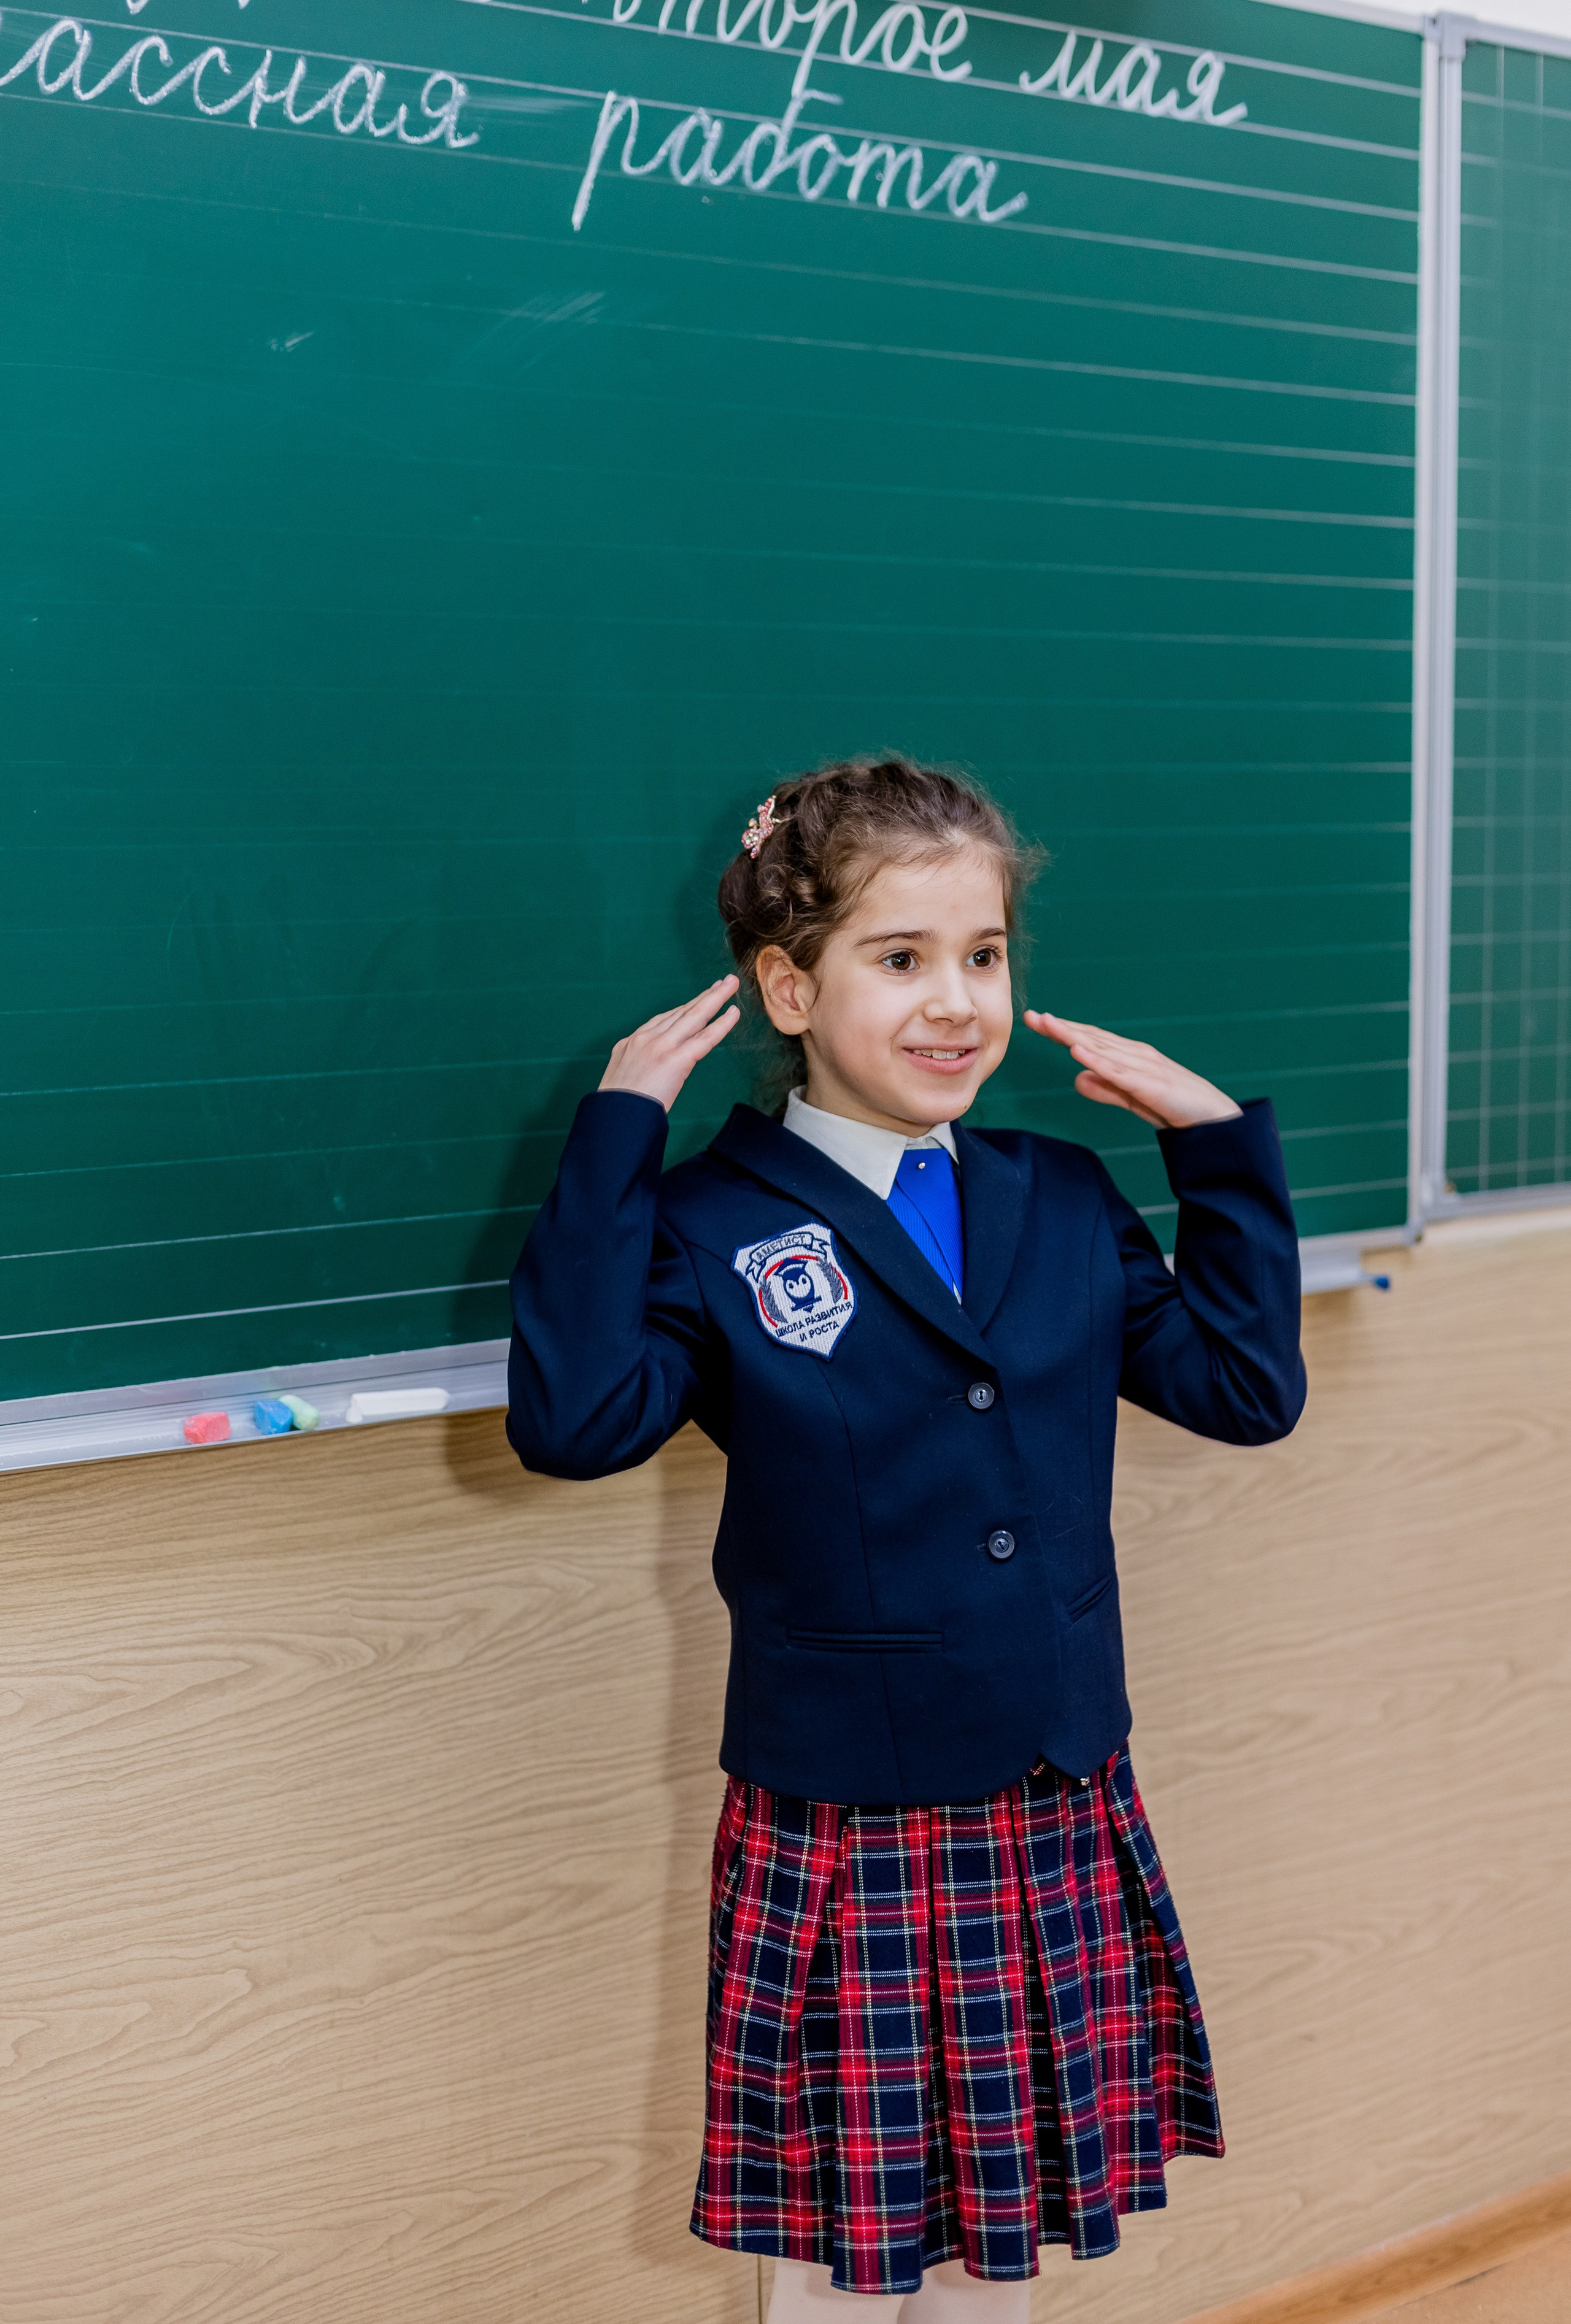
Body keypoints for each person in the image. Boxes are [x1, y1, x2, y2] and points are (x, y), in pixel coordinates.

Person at [507, 757, 1305, 2318]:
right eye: (899, 959)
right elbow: (579, 1420)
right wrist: (616, 1136)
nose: (955, 1003)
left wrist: (1212, 1144)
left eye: (983, 956)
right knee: (839, 2260)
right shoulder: (709, 1219)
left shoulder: (1063, 1194)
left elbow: (1242, 1386)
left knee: (999, 2235)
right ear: (786, 987)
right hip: (849, 1801)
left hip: (1053, 1775)